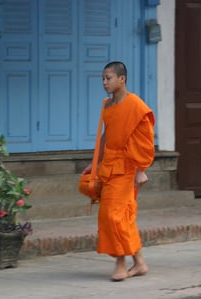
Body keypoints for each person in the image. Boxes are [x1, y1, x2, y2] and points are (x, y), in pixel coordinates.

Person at [82, 61, 155, 281]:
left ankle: (121, 264)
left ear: (122, 79)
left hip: (127, 167)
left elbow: (145, 140)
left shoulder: (135, 105)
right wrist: (95, 161)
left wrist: (141, 169)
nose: (104, 83)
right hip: (108, 167)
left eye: (109, 78)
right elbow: (106, 136)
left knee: (114, 216)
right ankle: (139, 263)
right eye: (103, 79)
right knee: (116, 217)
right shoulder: (108, 105)